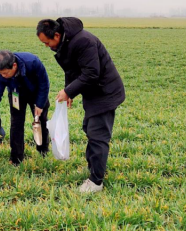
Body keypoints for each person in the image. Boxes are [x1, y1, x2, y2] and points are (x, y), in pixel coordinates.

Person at [36, 18, 125, 193]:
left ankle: (96, 181)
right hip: (94, 93)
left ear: (56, 34)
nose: (46, 46)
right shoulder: (66, 42)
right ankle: (93, 168)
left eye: (47, 42)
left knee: (97, 135)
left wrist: (69, 91)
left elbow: (92, 73)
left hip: (105, 92)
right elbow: (72, 69)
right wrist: (70, 91)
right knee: (89, 129)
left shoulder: (83, 41)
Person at [0, 50, 50, 165]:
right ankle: (16, 157)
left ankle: (43, 150)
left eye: (6, 73)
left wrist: (40, 104)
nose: (3, 76)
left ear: (14, 66)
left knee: (41, 121)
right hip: (16, 94)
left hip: (37, 94)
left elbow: (44, 83)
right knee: (16, 123)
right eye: (1, 73)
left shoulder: (32, 62)